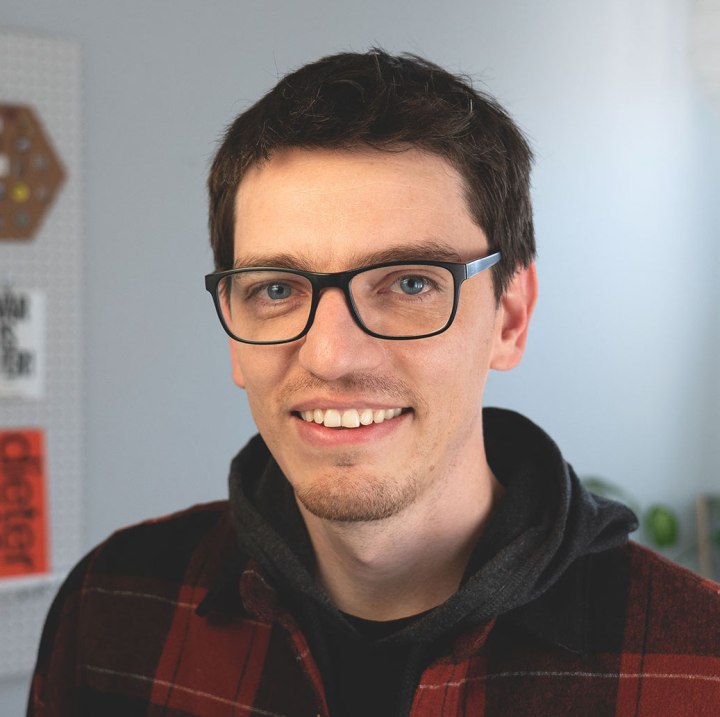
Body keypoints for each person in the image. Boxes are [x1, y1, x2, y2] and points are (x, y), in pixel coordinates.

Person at [28, 50, 720, 717]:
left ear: (509, 318)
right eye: (276, 288)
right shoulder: (113, 609)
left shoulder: (699, 664)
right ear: (234, 333)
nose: (331, 356)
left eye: (411, 283)